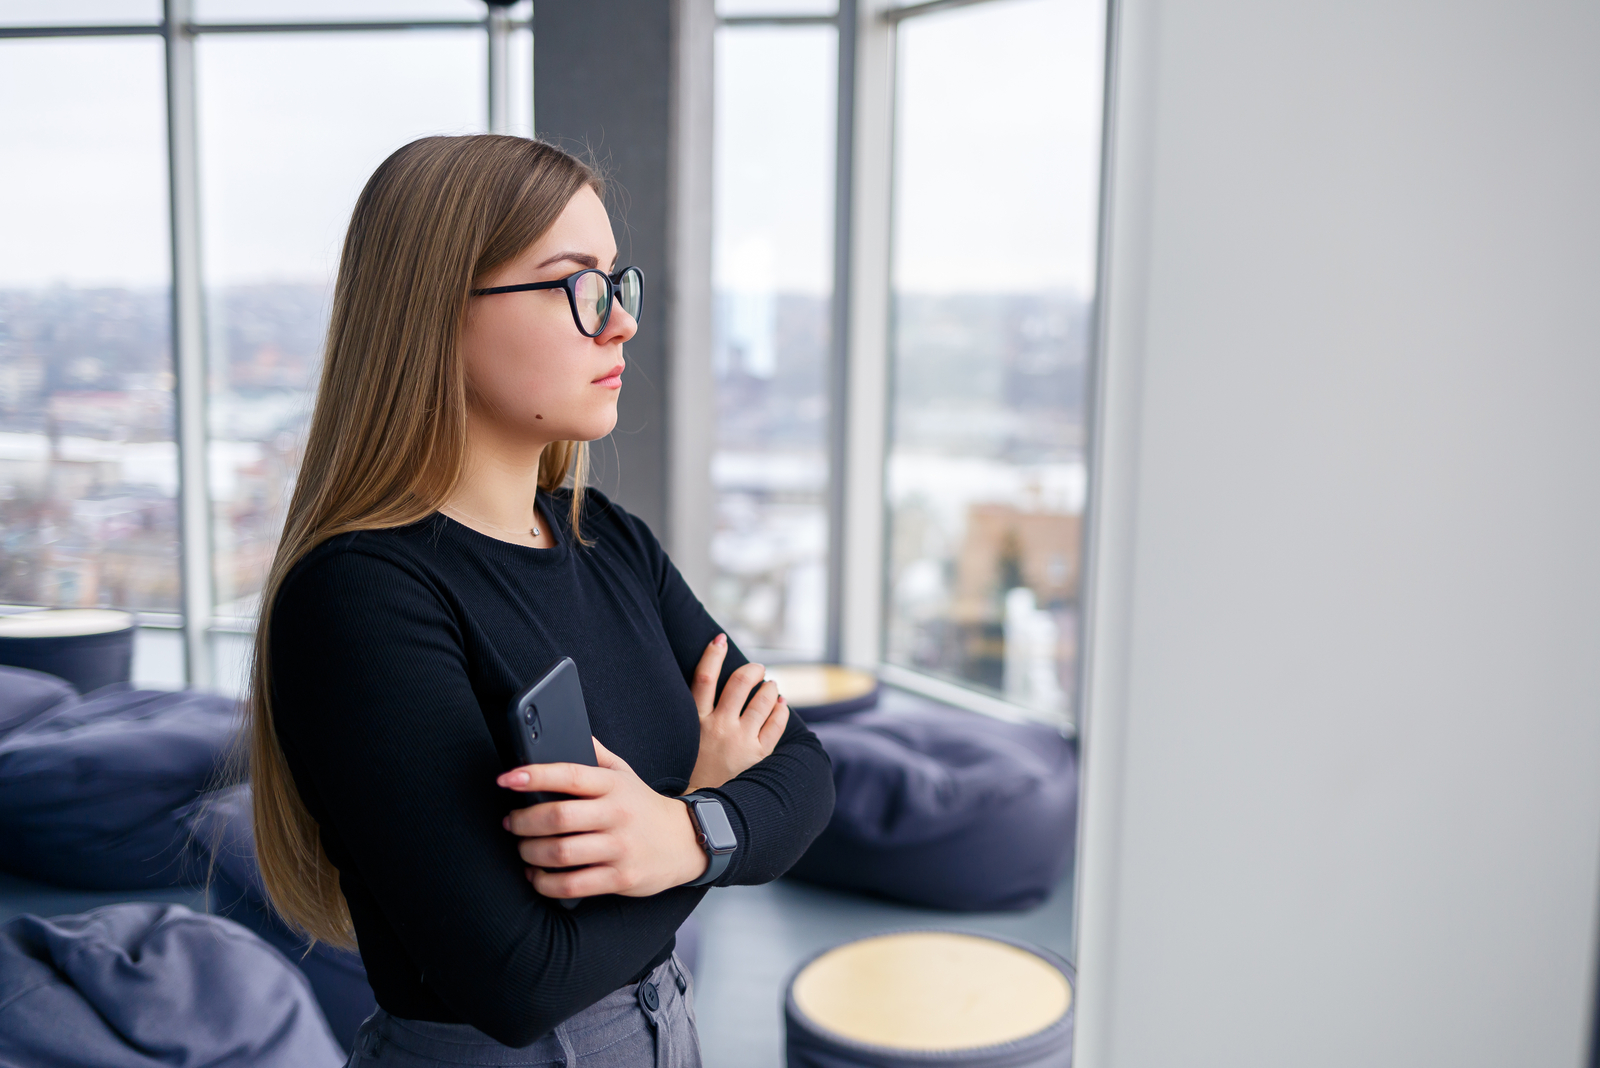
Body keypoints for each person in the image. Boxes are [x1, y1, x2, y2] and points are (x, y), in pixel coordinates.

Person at [242, 134, 835, 1066]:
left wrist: (679, 834)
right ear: (436, 312)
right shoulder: (358, 599)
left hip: (667, 1028)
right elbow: (521, 979)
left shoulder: (608, 539)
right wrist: (712, 815)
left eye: (615, 281)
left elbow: (803, 771)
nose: (621, 322)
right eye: (575, 285)